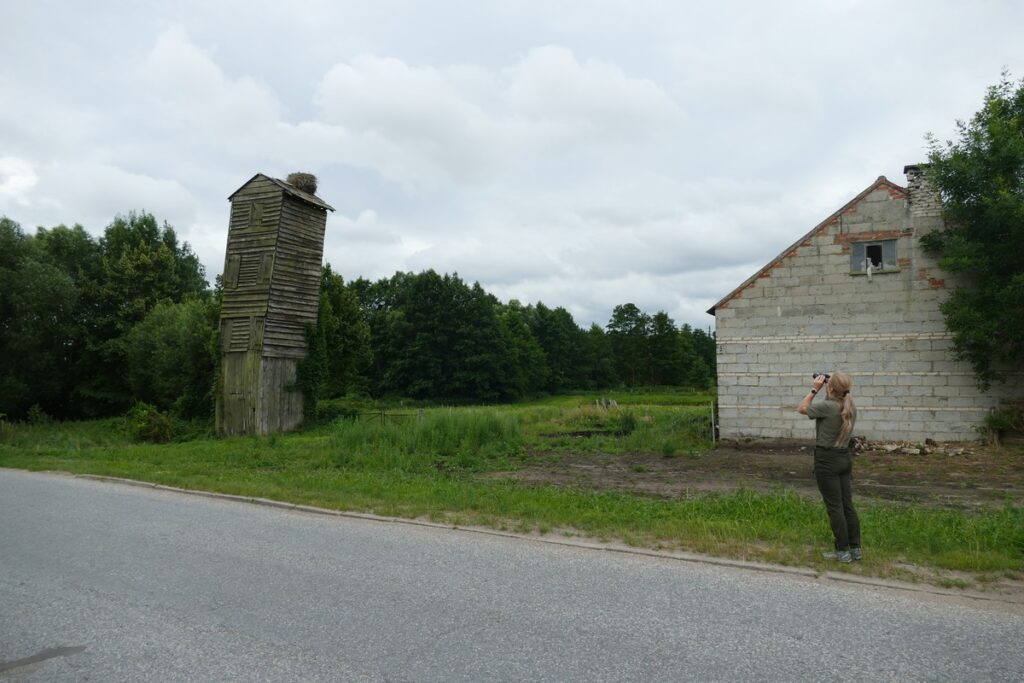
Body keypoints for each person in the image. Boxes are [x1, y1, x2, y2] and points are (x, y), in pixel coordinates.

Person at [797, 371, 861, 563]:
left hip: (827, 460)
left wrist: (814, 389)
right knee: (847, 505)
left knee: (835, 507)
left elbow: (802, 408)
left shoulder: (827, 407)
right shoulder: (850, 407)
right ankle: (855, 549)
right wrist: (833, 383)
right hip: (844, 458)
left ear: (831, 388)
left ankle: (842, 551)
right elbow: (839, 396)